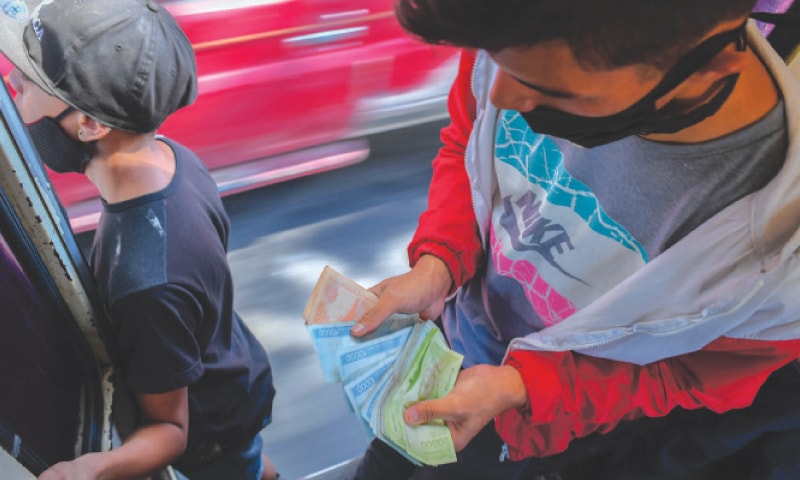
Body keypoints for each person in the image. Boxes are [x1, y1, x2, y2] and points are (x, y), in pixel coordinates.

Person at [349, 0, 800, 479]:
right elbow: (470, 138)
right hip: (446, 338)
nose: (501, 96)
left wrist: (523, 388)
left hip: (527, 419)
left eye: (552, 91)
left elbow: (689, 374)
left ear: (706, 71)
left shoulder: (774, 261)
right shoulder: (522, 42)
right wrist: (439, 261)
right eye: (490, 60)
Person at [0, 0, 278, 479]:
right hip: (229, 368)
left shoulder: (146, 277)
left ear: (89, 123)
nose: (12, 85)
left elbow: (171, 429)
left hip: (212, 431)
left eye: (26, 80)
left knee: (240, 466)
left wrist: (90, 468)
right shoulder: (172, 157)